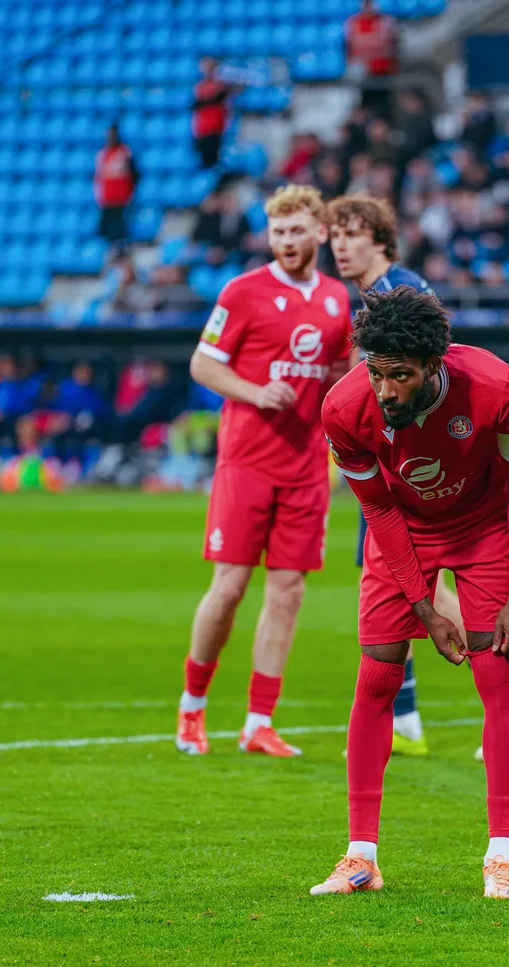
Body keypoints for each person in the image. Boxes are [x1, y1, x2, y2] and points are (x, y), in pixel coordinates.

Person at [313, 287, 509, 898]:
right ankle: (360, 857)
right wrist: (424, 607)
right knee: (377, 675)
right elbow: (378, 510)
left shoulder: (499, 388)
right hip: (403, 530)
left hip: (484, 527)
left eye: (400, 376)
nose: (385, 390)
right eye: (376, 373)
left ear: (434, 365)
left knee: (496, 673)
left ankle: (500, 856)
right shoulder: (343, 409)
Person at [177, 185, 353, 758]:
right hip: (247, 462)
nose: (286, 241)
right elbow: (202, 364)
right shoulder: (243, 291)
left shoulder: (336, 299)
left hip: (307, 466)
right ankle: (192, 708)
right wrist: (256, 391)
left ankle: (258, 722)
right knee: (229, 587)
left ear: (320, 232)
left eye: (297, 231)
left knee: (288, 592)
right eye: (278, 232)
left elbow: (338, 375)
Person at [329, 192, 447, 757]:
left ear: (380, 239)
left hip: (408, 465)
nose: (340, 246)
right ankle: (407, 719)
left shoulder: (400, 294)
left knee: (412, 584)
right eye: (335, 236)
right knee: (401, 584)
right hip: (386, 461)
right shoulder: (370, 296)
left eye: (352, 234)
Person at [94, 123, 138, 249]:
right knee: (105, 230)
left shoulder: (125, 152)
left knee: (121, 229)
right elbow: (98, 177)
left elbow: (135, 174)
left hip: (122, 199)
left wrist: (130, 193)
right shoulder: (102, 154)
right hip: (107, 199)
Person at [192, 57, 236, 170]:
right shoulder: (201, 87)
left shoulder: (220, 86)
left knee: (215, 159)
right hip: (203, 129)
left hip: (216, 128)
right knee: (205, 160)